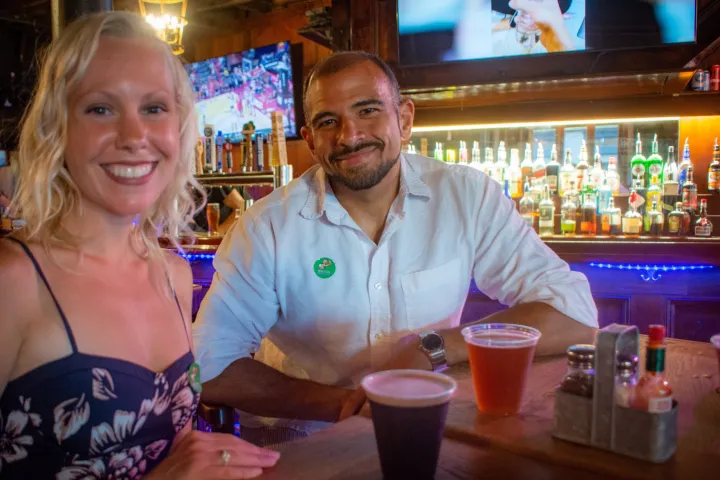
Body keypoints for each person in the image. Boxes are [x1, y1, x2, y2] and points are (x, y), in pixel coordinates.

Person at [193, 51, 598, 446]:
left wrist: (434, 348)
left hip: (428, 431)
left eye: (367, 110)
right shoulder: (267, 227)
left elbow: (574, 312)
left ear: (404, 119)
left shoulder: (466, 196)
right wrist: (349, 406)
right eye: (329, 121)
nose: (349, 136)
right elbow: (210, 367)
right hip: (301, 440)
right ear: (312, 141)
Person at [0, 11, 279, 479]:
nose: (134, 137)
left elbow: (172, 441)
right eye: (100, 109)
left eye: (153, 108)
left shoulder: (173, 273)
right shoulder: (15, 281)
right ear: (58, 127)